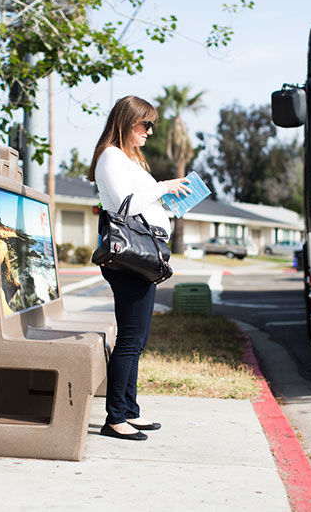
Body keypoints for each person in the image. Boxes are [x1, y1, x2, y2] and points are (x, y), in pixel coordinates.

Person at [87, 95, 190, 441]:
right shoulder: (111, 156)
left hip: (144, 257)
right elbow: (126, 206)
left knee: (138, 338)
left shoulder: (130, 159)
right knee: (130, 339)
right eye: (144, 124)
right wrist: (163, 188)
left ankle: (129, 410)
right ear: (127, 122)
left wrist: (168, 198)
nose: (149, 131)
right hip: (130, 259)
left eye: (151, 126)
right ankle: (115, 418)